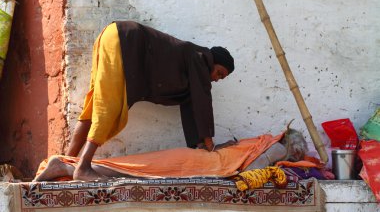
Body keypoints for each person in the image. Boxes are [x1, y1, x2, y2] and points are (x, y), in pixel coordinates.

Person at [65, 21, 235, 181]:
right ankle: (83, 167)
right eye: (219, 73)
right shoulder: (201, 59)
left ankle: (63, 163)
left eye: (222, 77)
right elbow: (202, 103)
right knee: (108, 108)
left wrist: (199, 144)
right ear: (213, 61)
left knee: (93, 107)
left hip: (113, 35)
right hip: (126, 41)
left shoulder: (193, 61)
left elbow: (192, 105)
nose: (217, 79)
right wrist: (211, 146)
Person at [35, 127, 308, 182]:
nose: (293, 159)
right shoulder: (276, 148)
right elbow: (251, 174)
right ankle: (65, 167)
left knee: (131, 167)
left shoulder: (261, 140)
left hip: (192, 158)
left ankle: (66, 166)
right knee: (132, 169)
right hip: (198, 164)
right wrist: (280, 167)